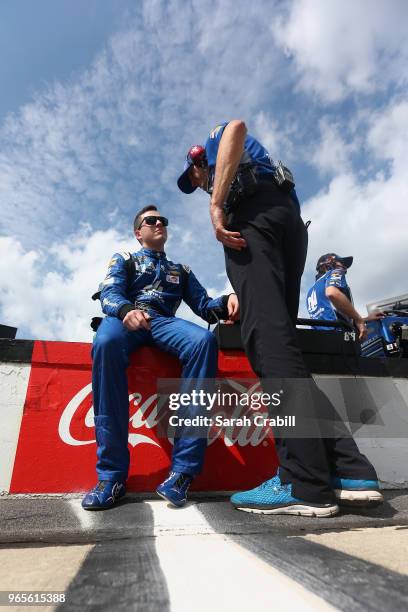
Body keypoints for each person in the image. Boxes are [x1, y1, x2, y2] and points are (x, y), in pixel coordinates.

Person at [177, 120, 382, 516]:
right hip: (287, 222)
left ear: (200, 161)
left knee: (269, 349)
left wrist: (216, 205)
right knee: (285, 353)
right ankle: (348, 468)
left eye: (195, 175)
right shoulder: (263, 173)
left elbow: (234, 127)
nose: (198, 182)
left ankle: (302, 482)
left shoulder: (216, 149)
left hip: (255, 218)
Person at [82, 205, 239, 510]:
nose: (158, 224)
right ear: (137, 232)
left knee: (203, 341)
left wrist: (229, 299)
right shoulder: (124, 259)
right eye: (150, 221)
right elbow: (108, 292)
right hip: (127, 316)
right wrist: (126, 311)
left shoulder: (181, 270)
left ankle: (182, 473)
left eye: (162, 220)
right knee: (105, 341)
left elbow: (205, 306)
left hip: (163, 323)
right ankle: (111, 477)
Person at [306, 253, 383, 338]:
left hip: (319, 339)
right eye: (340, 262)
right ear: (326, 266)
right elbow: (332, 293)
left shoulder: (310, 291)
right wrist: (359, 320)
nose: (344, 266)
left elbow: (329, 317)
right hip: (339, 337)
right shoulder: (334, 272)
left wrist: (365, 319)